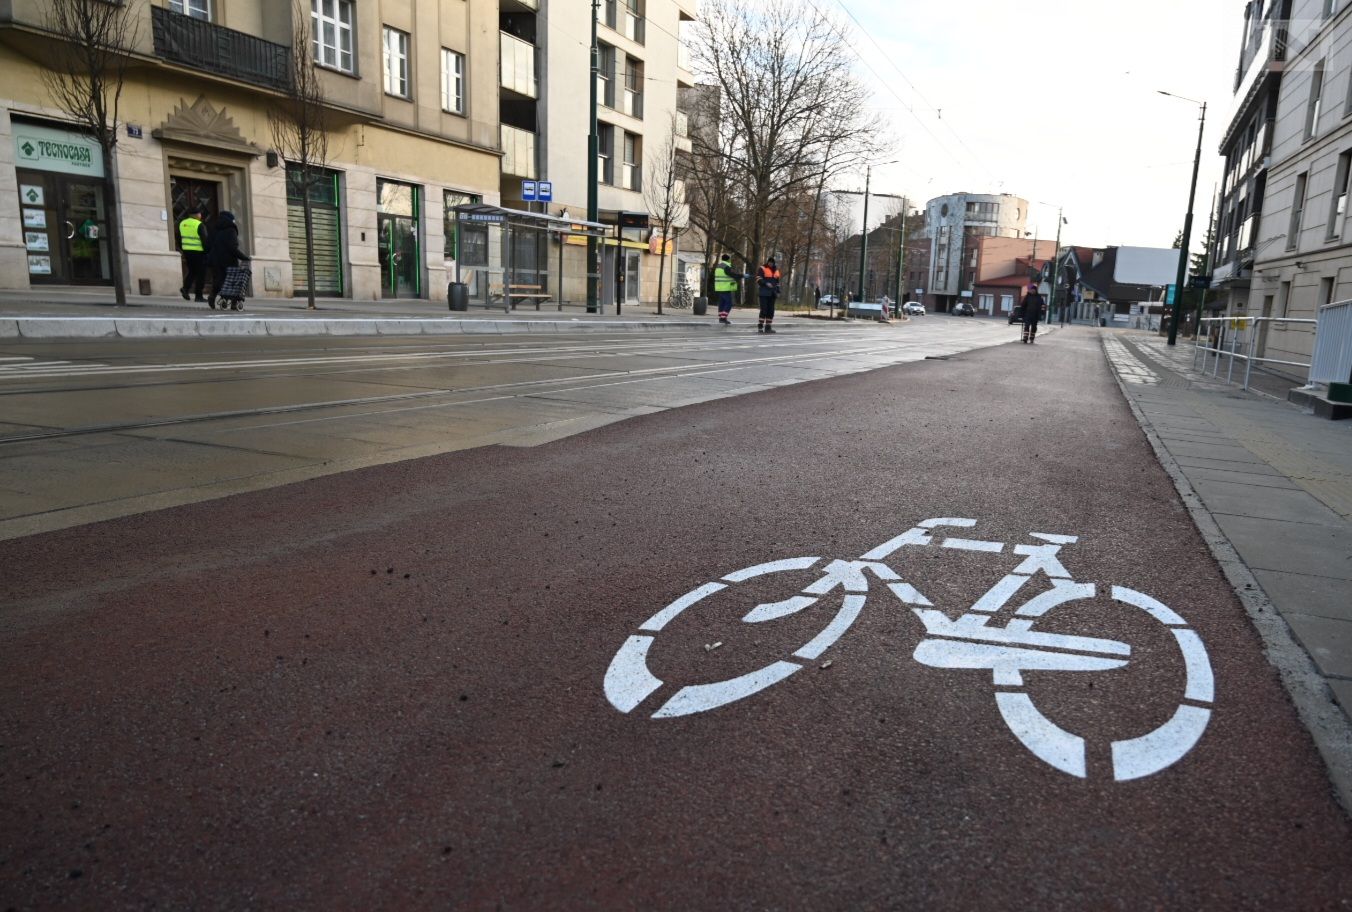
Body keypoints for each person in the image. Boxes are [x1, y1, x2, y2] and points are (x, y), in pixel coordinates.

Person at [206, 210, 251, 310]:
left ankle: (212, 296)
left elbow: (208, 244)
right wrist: (244, 257)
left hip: (215, 259)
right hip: (228, 260)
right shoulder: (231, 229)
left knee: (218, 279)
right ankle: (234, 304)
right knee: (233, 281)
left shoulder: (214, 228)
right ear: (230, 219)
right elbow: (232, 248)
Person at [178, 205, 209, 303]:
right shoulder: (199, 224)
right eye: (200, 213)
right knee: (201, 274)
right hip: (199, 252)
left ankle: (186, 288)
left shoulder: (182, 223)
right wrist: (207, 252)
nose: (200, 215)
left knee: (192, 271)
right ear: (196, 215)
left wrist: (183, 248)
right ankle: (198, 296)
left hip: (187, 251)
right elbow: (205, 240)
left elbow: (179, 238)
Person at [711, 253, 743, 325]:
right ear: (728, 259)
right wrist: (742, 275)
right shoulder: (726, 266)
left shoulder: (718, 266)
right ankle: (723, 318)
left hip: (719, 287)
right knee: (729, 303)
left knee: (722, 303)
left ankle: (721, 317)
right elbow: (732, 275)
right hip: (725, 287)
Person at [756, 256, 782, 333]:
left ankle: (768, 327)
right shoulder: (762, 268)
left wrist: (778, 291)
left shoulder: (776, 270)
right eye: (769, 263)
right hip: (764, 293)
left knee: (771, 311)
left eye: (772, 263)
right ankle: (760, 326)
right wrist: (766, 283)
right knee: (764, 310)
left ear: (773, 263)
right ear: (768, 262)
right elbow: (758, 279)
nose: (770, 264)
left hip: (772, 293)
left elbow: (777, 283)